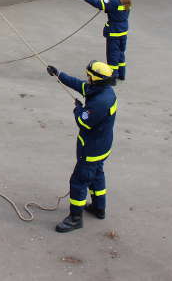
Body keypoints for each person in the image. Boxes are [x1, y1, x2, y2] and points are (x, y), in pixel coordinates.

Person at [46, 61, 117, 233]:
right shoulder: (104, 90)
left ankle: (75, 218)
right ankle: (99, 208)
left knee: (78, 182)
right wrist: (59, 74)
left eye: (89, 76)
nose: (87, 79)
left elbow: (83, 122)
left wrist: (78, 109)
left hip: (91, 150)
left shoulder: (100, 102)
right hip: (102, 147)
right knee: (97, 175)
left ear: (96, 79)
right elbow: (81, 86)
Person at [75, 0, 132, 80]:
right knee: (120, 53)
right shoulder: (127, 0)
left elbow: (99, 4)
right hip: (123, 31)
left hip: (114, 33)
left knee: (112, 56)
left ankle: (112, 77)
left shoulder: (114, 1)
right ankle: (121, 74)